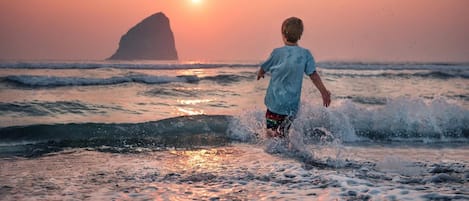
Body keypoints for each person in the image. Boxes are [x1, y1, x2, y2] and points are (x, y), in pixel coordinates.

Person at [257, 17, 331, 138]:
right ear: (300, 35)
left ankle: (272, 145)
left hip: (274, 104)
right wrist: (324, 92)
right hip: (291, 107)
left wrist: (261, 73)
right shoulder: (305, 54)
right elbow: (313, 75)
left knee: (270, 133)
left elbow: (264, 67)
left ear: (283, 34)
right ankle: (285, 149)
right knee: (284, 134)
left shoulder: (277, 52)